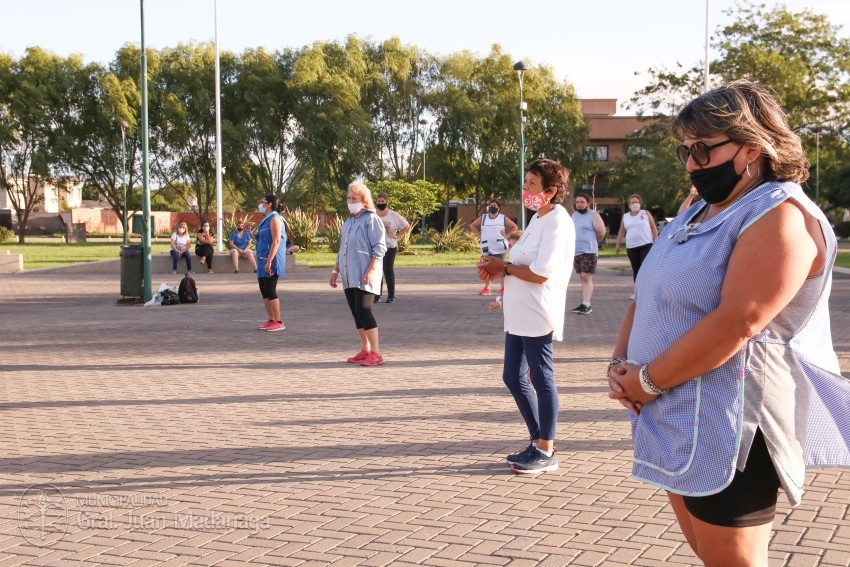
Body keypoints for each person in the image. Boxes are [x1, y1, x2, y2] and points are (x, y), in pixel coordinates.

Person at [606, 80, 850, 567]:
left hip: (730, 420)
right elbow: (647, 293)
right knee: (708, 553)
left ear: (753, 146)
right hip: (672, 410)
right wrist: (621, 366)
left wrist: (647, 381)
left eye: (703, 149)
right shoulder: (696, 211)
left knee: (734, 561)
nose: (692, 163)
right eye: (685, 150)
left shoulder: (780, 214)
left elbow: (740, 321)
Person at [476, 158, 575, 475]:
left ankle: (546, 449)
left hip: (537, 311)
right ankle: (537, 440)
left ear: (551, 191)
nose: (525, 187)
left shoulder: (558, 221)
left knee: (541, 378)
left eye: (532, 183)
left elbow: (542, 273)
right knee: (512, 376)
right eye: (526, 181)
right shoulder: (537, 219)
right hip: (518, 313)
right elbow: (519, 263)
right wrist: (495, 268)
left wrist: (503, 268)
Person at [329, 181, 387, 366]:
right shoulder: (348, 222)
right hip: (349, 274)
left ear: (364, 200)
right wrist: (335, 270)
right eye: (349, 198)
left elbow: (379, 247)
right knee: (356, 313)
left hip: (365, 273)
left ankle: (376, 353)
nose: (351, 201)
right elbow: (343, 249)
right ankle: (365, 349)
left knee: (364, 310)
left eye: (354, 198)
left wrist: (371, 270)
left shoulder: (371, 219)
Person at [470, 199, 519, 296]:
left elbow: (514, 227)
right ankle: (487, 288)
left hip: (499, 246)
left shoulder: (502, 218)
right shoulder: (483, 218)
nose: (492, 207)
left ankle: (503, 288)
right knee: (486, 267)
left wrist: (507, 235)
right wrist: (479, 235)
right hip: (487, 246)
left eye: (495, 206)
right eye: (491, 205)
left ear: (498, 208)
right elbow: (473, 226)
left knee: (501, 267)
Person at [255, 194, 287, 332]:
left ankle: (278, 321)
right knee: (264, 291)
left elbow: (276, 241)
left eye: (262, 202)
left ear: (269, 204)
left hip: (271, 260)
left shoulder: (275, 218)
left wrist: (269, 261)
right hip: (261, 259)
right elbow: (263, 239)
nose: (260, 205)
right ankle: (271, 319)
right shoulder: (265, 220)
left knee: (270, 290)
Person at [570, 193, 606, 315]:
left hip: (589, 251)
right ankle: (585, 303)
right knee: (582, 277)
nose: (579, 204)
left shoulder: (594, 215)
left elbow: (601, 232)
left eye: (582, 202)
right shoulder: (574, 215)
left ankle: (587, 304)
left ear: (587, 203)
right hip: (576, 251)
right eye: (577, 202)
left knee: (586, 276)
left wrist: (593, 242)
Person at [374, 192, 410, 304]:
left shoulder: (393, 215)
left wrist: (398, 236)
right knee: (377, 271)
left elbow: (406, 225)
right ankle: (376, 296)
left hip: (389, 246)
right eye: (379, 201)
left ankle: (391, 295)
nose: (381, 203)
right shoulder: (373, 214)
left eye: (383, 201)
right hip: (375, 247)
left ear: (386, 202)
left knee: (388, 270)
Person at [614, 194, 658, 281]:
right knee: (636, 269)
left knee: (644, 267)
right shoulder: (626, 216)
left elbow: (653, 227)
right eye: (633, 202)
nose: (635, 204)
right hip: (632, 247)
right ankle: (637, 288)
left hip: (646, 245)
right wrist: (617, 245)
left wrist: (656, 239)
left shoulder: (645, 213)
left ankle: (646, 286)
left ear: (640, 204)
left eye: (637, 202)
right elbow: (621, 231)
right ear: (629, 205)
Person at [488, 230, 523, 311]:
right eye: (510, 246)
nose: (511, 250)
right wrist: (500, 302)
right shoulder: (510, 265)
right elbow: (512, 291)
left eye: (515, 247)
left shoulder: (528, 267)